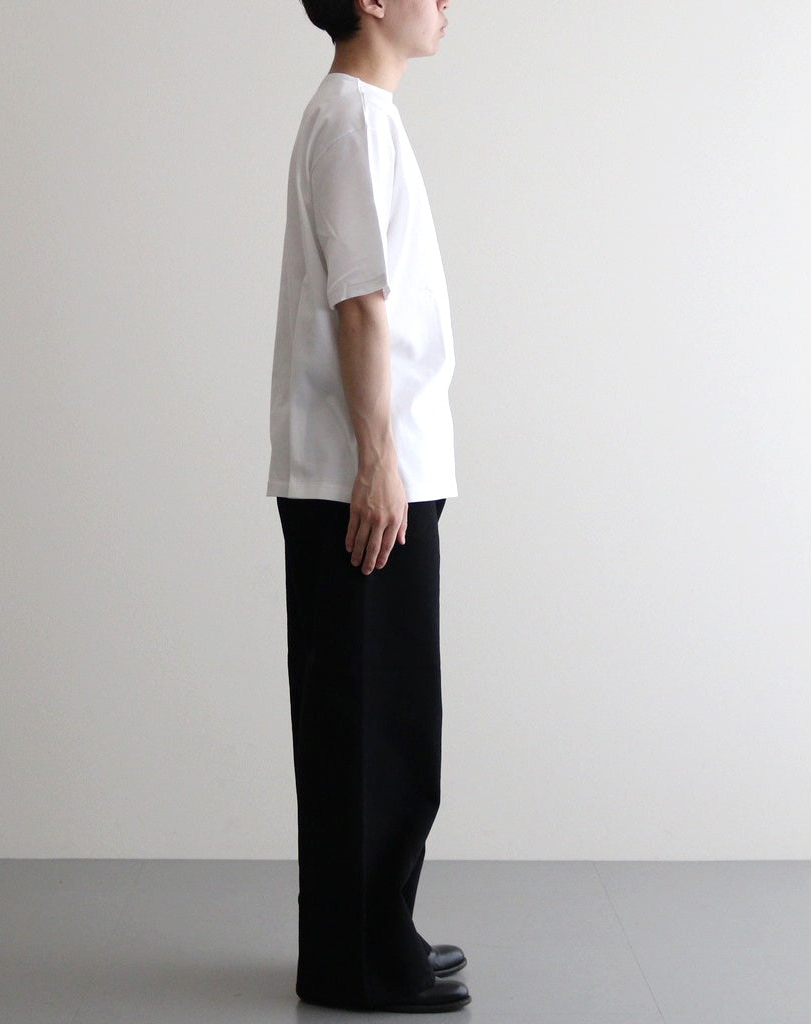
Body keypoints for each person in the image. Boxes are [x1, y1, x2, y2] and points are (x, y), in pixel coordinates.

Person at [267, 0, 468, 1013]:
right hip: (361, 480)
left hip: (378, 472)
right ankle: (359, 962)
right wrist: (378, 461)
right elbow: (359, 301)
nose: (448, 3)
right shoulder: (349, 118)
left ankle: (377, 935)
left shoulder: (364, 116)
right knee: (367, 726)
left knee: (387, 721)